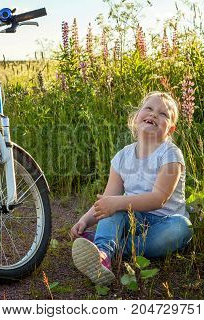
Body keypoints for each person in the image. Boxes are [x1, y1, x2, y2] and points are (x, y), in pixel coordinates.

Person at [70, 91, 193, 285]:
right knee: (113, 210)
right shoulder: (122, 157)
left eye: (163, 114)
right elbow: (107, 202)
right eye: (149, 109)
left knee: (182, 227)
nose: (154, 115)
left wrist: (116, 203)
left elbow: (158, 198)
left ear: (170, 129)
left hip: (163, 223)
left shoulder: (170, 155)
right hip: (131, 217)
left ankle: (113, 246)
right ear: (136, 118)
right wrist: (85, 220)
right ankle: (102, 254)